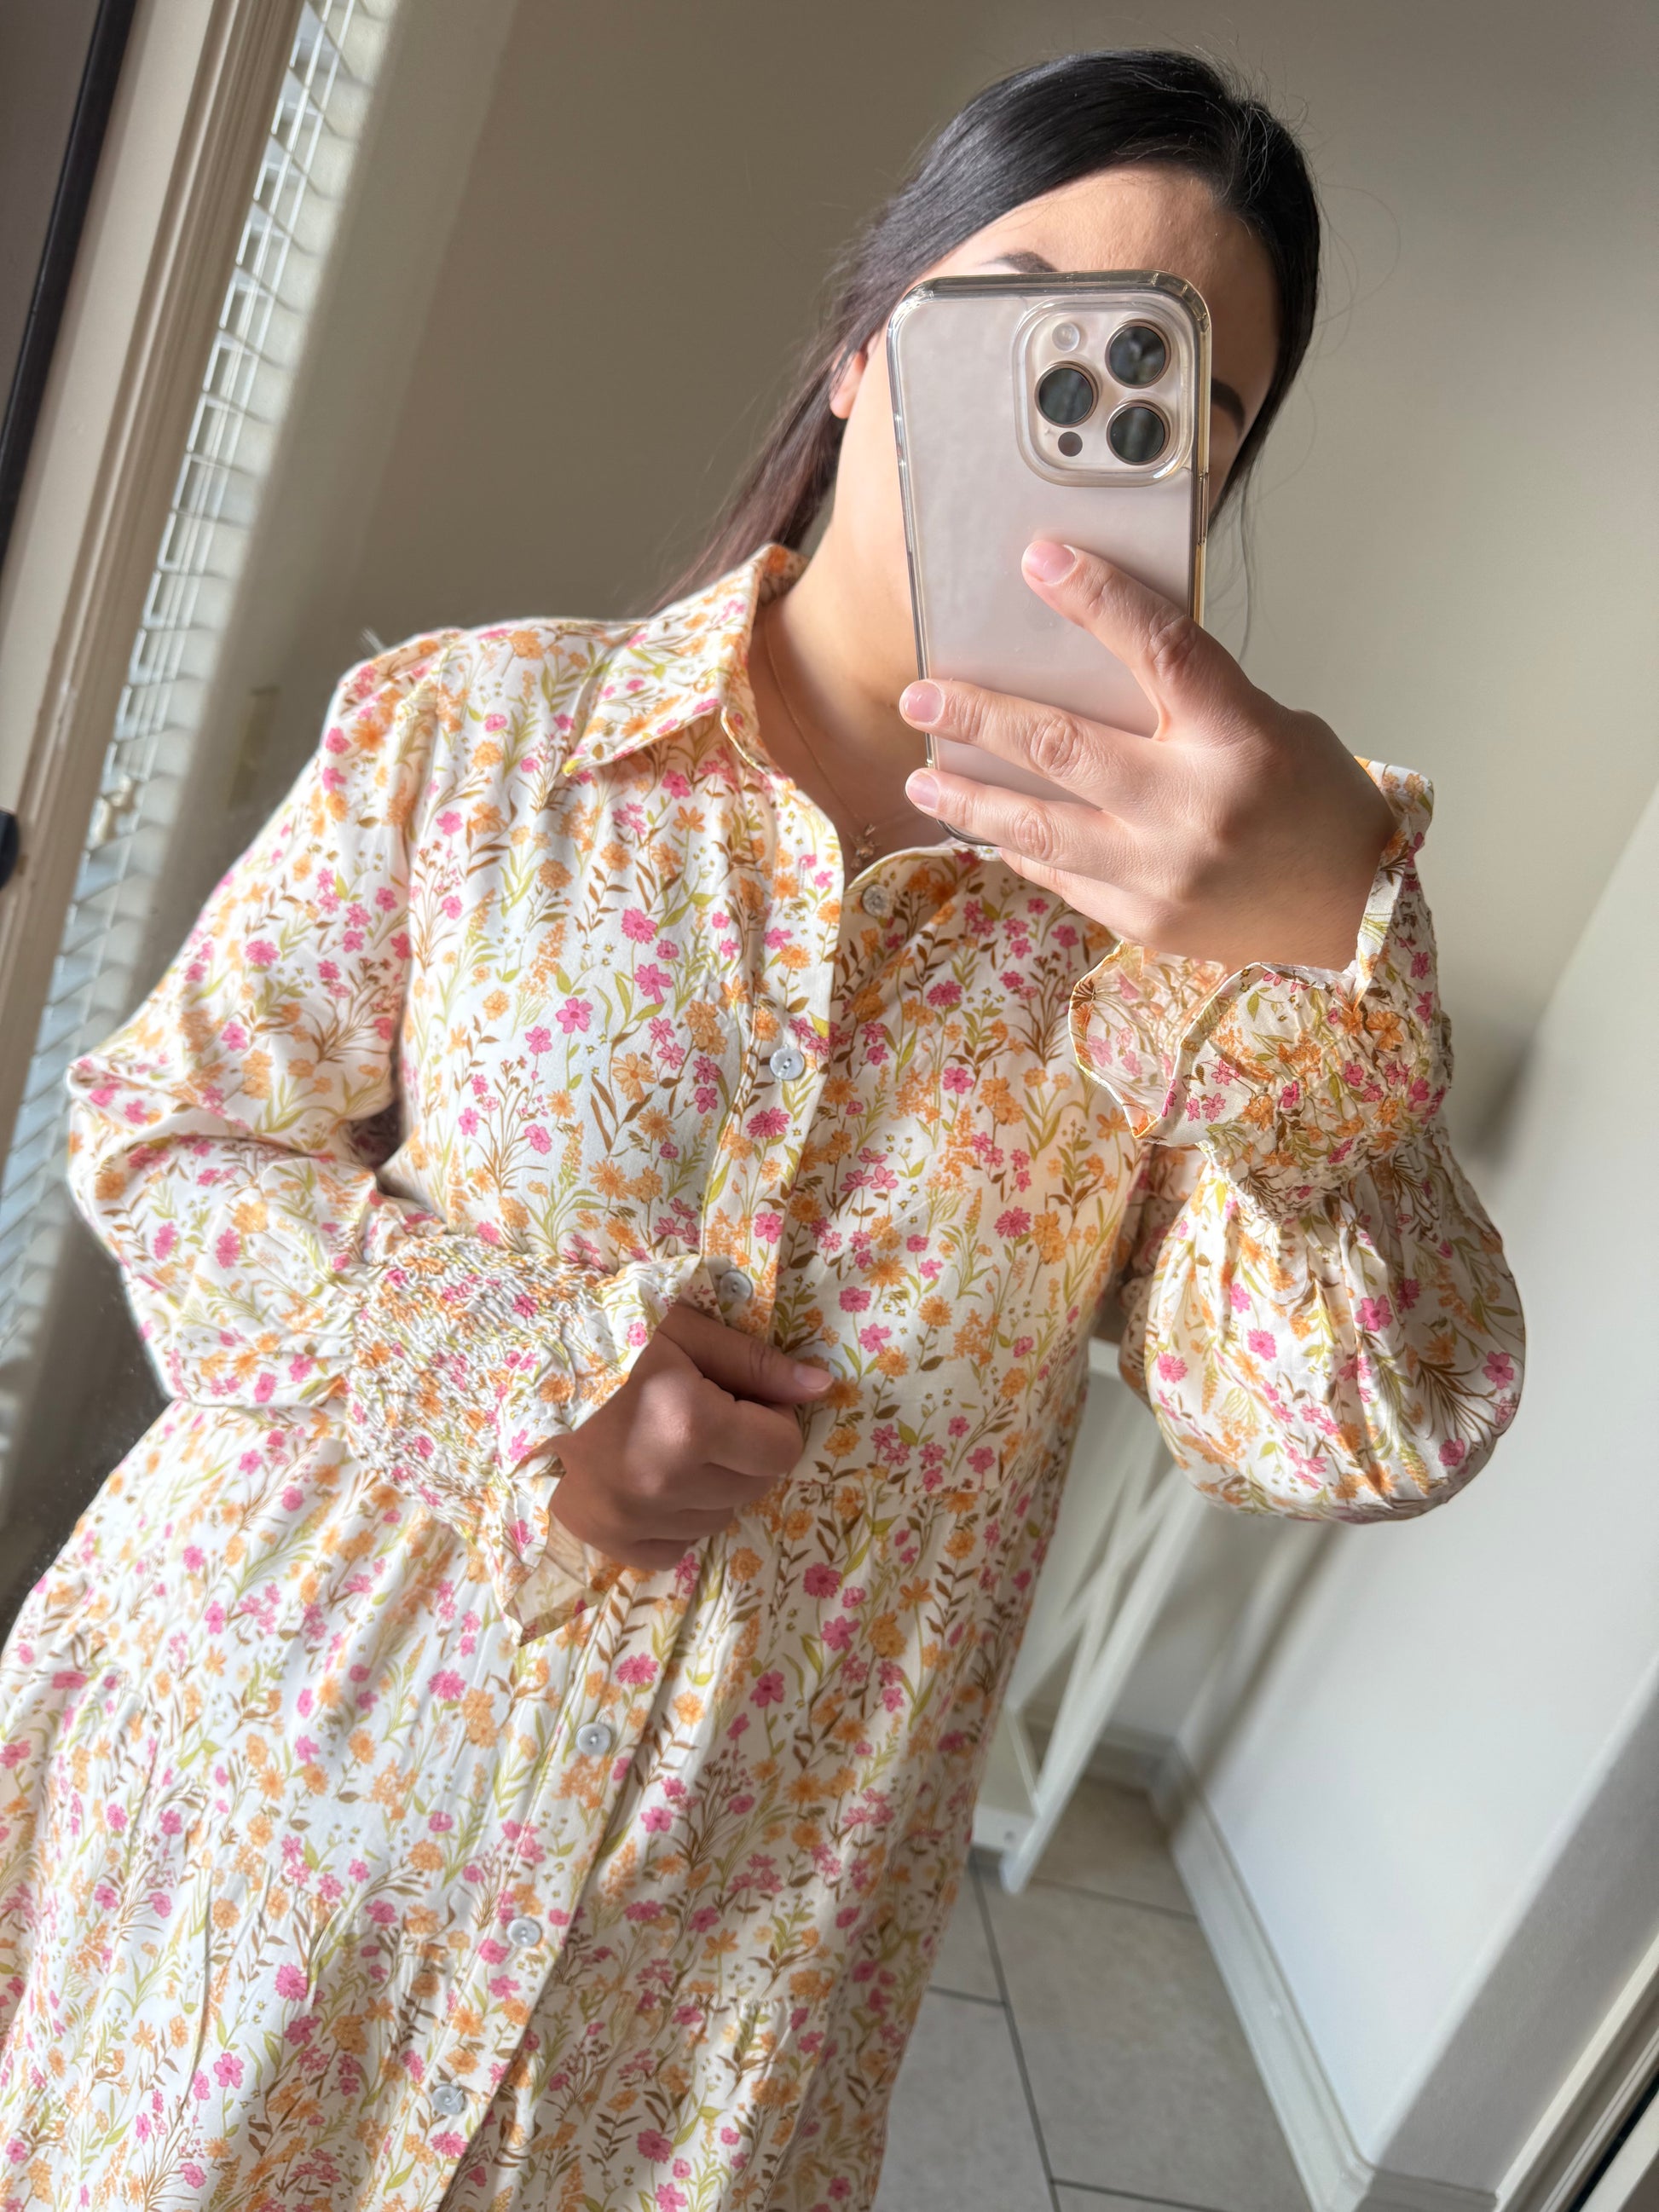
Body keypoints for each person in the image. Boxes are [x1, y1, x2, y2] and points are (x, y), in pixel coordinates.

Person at [0, 48, 1523, 2212]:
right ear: (862, 343)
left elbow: (1366, 1425)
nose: (1078, 414)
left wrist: (1310, 961)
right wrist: (528, 1385)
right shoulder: (480, 731)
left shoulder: (1186, 974)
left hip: (684, 2034)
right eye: (1023, 317)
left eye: (1177, 397)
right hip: (247, 1836)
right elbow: (170, 1129)